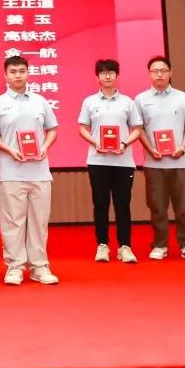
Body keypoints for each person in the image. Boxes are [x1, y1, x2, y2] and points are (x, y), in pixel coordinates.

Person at [0, 56, 60, 285]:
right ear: (5, 75)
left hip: (39, 172)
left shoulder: (40, 101)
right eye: (13, 71)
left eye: (22, 71)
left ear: (28, 73)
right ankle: (14, 266)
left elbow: (53, 129)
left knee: (39, 222)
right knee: (12, 222)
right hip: (11, 172)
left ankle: (39, 267)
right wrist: (9, 150)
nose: (18, 75)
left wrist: (45, 147)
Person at [135, 55, 185, 262]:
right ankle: (160, 245)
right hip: (154, 163)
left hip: (181, 162)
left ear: (170, 72)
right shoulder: (141, 99)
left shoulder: (182, 97)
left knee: (184, 207)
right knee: (157, 208)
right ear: (149, 74)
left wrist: (182, 147)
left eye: (163, 71)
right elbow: (138, 128)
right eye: (155, 71)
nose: (160, 74)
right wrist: (150, 149)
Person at [78, 59, 144, 263]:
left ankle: (125, 247)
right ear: (97, 77)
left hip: (123, 162)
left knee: (123, 205)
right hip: (98, 160)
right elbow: (82, 128)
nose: (107, 76)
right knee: (100, 204)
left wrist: (124, 143)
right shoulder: (90, 102)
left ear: (117, 76)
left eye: (111, 73)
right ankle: (102, 245)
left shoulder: (128, 102)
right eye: (103, 73)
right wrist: (95, 142)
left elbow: (137, 129)